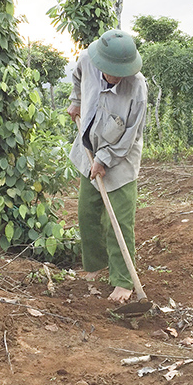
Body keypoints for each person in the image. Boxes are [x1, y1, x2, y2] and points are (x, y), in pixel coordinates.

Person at [67, 30, 148, 303]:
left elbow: (131, 135)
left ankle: (123, 281)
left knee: (119, 222)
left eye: (120, 72)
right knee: (87, 213)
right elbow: (77, 79)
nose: (115, 77)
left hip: (120, 159)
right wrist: (76, 102)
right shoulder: (87, 59)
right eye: (110, 71)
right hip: (88, 151)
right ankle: (94, 266)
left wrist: (105, 160)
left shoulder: (137, 87)